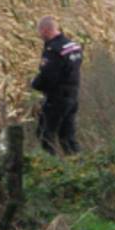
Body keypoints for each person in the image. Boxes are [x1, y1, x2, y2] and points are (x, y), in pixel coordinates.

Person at [30, 15, 82, 154]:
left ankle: (51, 168)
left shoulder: (53, 50)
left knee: (45, 134)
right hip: (72, 95)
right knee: (67, 137)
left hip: (56, 98)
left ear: (46, 30)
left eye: (40, 31)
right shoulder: (73, 46)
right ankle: (77, 165)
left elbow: (49, 76)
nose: (39, 35)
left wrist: (34, 84)